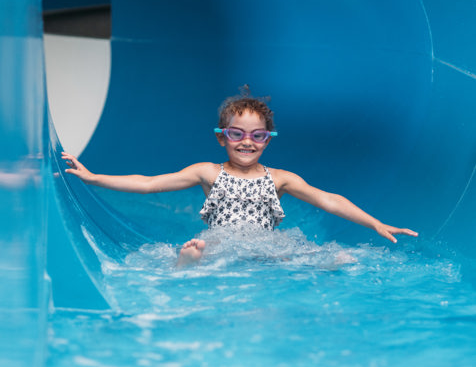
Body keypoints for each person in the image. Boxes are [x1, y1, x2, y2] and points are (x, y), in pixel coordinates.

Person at [62, 87, 418, 266]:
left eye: (257, 136)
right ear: (222, 137)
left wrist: (374, 224)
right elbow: (150, 182)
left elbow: (329, 200)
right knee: (203, 252)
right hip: (221, 240)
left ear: (267, 140)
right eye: (237, 134)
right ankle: (186, 266)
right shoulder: (208, 173)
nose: (247, 142)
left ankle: (326, 265)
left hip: (265, 242)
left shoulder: (280, 179)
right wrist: (94, 178)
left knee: (311, 253)